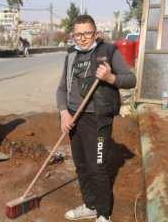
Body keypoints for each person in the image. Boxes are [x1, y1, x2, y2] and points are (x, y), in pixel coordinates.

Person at [56, 15, 136, 222]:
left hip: (98, 119)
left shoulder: (108, 52)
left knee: (96, 165)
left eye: (87, 33)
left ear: (95, 33)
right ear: (73, 35)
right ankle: (90, 205)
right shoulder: (71, 56)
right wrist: (64, 112)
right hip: (74, 118)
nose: (82, 38)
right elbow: (61, 89)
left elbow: (131, 79)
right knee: (81, 165)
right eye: (78, 34)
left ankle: (103, 213)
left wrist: (110, 78)